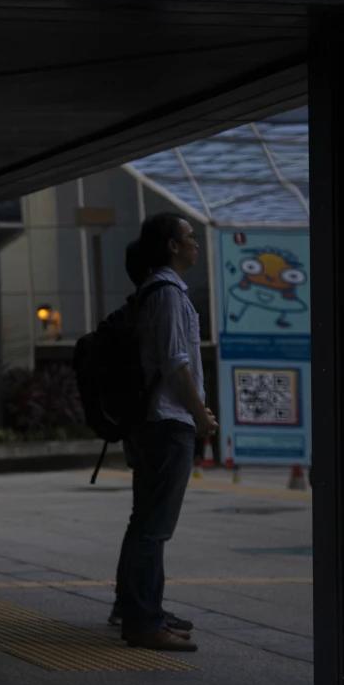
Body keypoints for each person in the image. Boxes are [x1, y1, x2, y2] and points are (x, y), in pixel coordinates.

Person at [115, 214, 216, 652]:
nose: (196, 244)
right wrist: (201, 415)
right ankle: (143, 621)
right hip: (167, 421)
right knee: (154, 528)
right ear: (173, 246)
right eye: (190, 237)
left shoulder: (153, 290)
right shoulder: (169, 293)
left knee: (144, 522)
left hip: (150, 422)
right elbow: (176, 364)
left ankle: (138, 606)